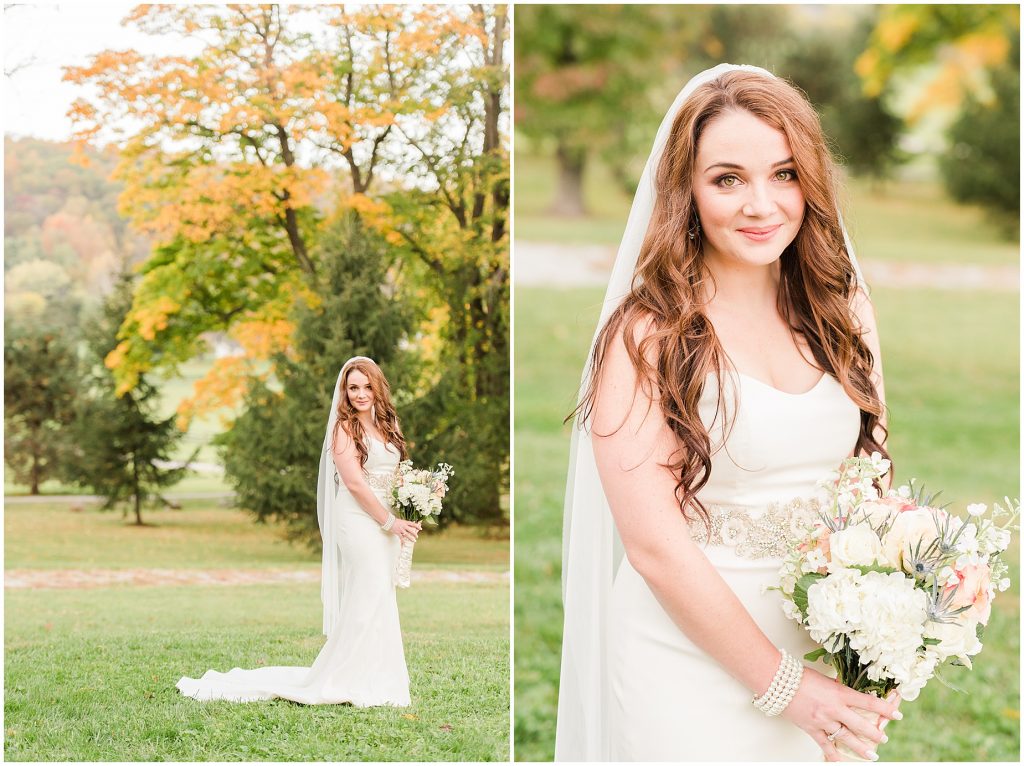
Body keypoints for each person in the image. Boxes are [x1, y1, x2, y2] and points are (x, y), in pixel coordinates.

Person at [554, 64, 903, 761]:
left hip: (820, 656)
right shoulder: (644, 338)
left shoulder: (843, 313)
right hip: (682, 664)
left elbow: (874, 488)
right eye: (727, 179)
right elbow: (654, 547)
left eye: (783, 174)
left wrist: (884, 644)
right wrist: (784, 687)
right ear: (686, 190)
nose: (761, 204)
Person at [177, 356, 420, 706]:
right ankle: (340, 678)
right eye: (353, 387)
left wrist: (415, 499)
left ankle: (376, 676)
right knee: (366, 595)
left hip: (387, 519)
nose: (360, 394)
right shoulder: (343, 428)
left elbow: (393, 473)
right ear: (345, 391)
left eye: (367, 386)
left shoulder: (389, 423)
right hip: (358, 520)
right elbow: (353, 482)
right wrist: (389, 522)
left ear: (378, 387)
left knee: (379, 595)